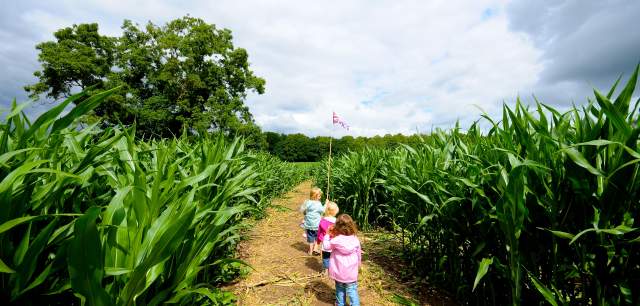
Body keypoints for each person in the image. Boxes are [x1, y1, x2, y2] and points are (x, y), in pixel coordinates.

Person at [322, 214, 361, 306]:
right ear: (352, 226)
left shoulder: (336, 240)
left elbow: (326, 246)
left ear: (337, 227)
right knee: (352, 290)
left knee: (339, 288)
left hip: (338, 271)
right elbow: (358, 254)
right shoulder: (355, 239)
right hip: (351, 272)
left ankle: (340, 304)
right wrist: (358, 266)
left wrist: (327, 235)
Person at [299, 187, 325, 255]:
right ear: (315, 196)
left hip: (309, 225)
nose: (320, 197)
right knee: (317, 237)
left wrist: (306, 214)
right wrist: (326, 204)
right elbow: (323, 210)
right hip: (316, 225)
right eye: (319, 196)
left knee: (310, 238)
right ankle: (315, 249)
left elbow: (302, 210)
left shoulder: (307, 202)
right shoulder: (318, 204)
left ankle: (310, 251)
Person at [317, 201, 339, 273]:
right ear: (336, 211)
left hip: (325, 243)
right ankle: (333, 269)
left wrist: (318, 241)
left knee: (326, 257)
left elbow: (319, 232)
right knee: (333, 256)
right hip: (334, 243)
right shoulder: (337, 222)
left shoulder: (323, 220)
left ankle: (326, 270)